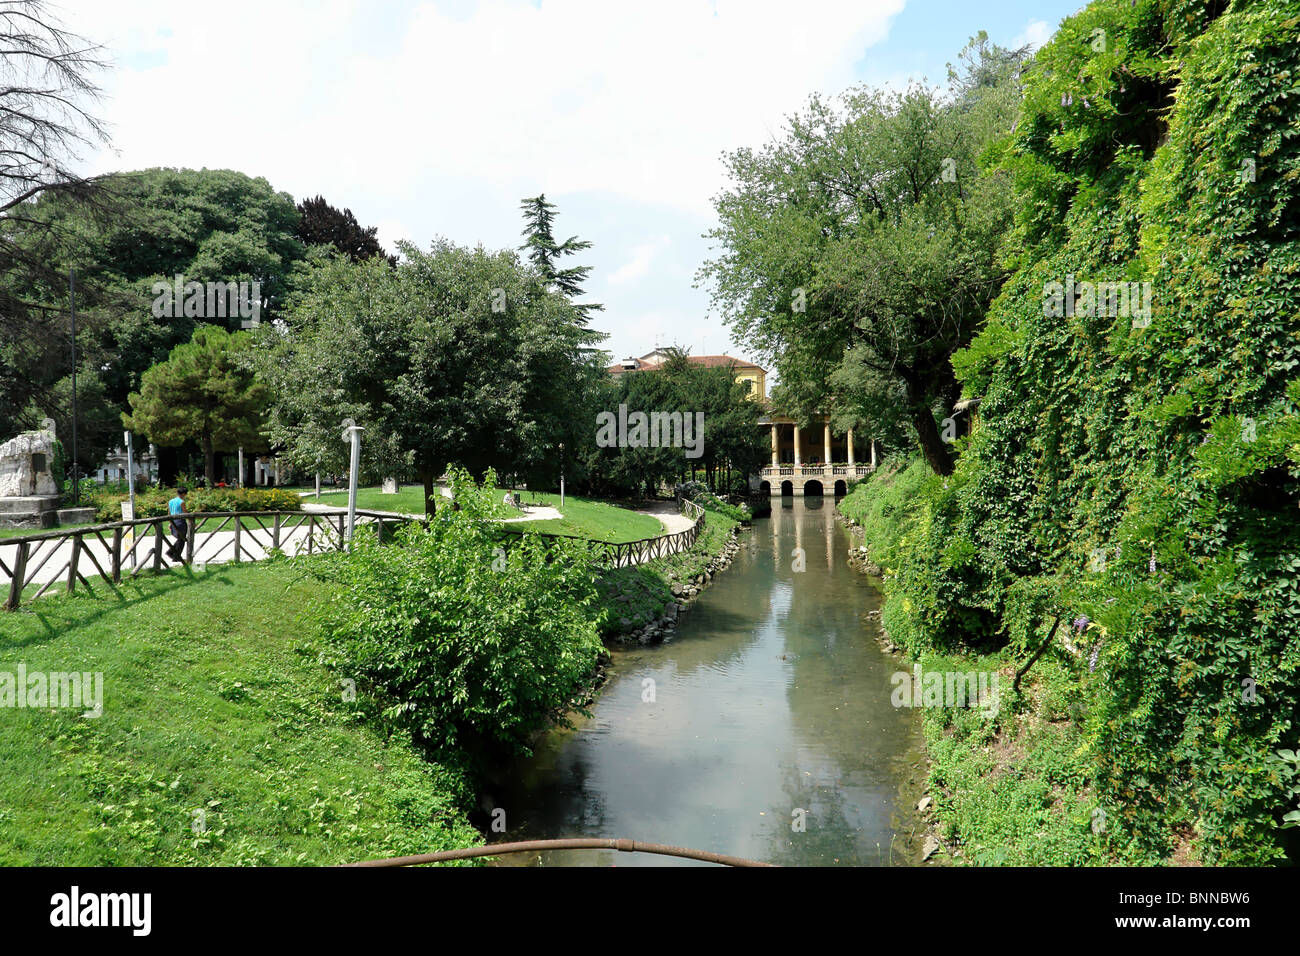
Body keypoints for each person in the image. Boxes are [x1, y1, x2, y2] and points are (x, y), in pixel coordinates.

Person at [166, 485, 189, 563]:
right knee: (182, 539)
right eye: (185, 494)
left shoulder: (171, 501)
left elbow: (169, 513)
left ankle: (171, 553)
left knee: (180, 539)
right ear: (183, 494)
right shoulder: (181, 502)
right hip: (180, 522)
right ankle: (176, 556)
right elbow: (185, 512)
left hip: (173, 521)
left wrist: (170, 523)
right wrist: (191, 521)